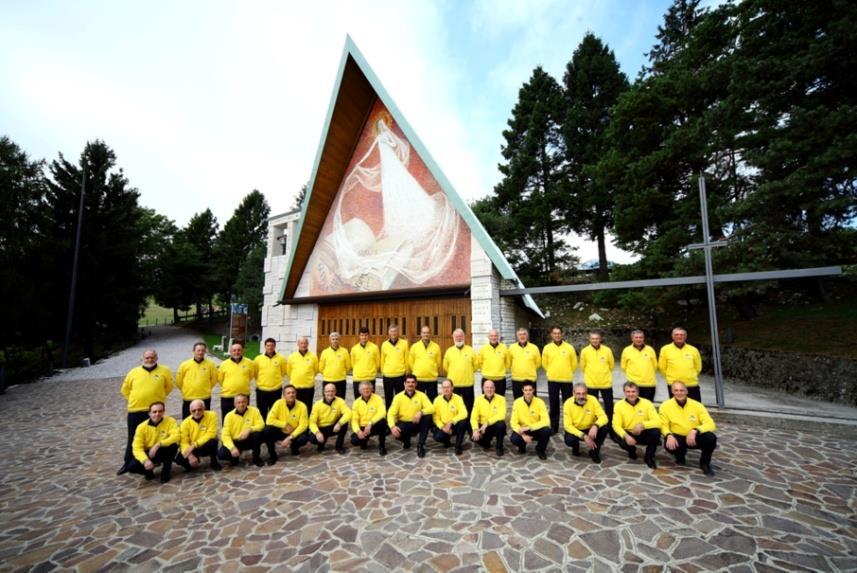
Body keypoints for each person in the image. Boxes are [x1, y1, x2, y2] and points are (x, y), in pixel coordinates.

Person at [118, 349, 173, 475]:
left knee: (155, 436)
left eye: (152, 357)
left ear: (157, 358)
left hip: (155, 411)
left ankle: (154, 459)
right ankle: (128, 462)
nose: (150, 360)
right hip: (136, 410)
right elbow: (125, 390)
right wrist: (135, 399)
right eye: (147, 358)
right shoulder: (133, 372)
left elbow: (169, 387)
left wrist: (159, 398)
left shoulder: (164, 371)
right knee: (133, 437)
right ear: (142, 359)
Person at [660, 382, 718, 476]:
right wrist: (668, 435)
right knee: (669, 444)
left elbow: (711, 424)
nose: (679, 393)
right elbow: (663, 425)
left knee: (710, 438)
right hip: (677, 436)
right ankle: (680, 455)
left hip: (694, 437)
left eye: (682, 390)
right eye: (676, 390)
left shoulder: (697, 405)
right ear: (672, 392)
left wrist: (695, 430)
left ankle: (705, 463)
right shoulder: (665, 406)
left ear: (686, 391)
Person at [126, 401, 179, 483]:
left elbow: (176, 436)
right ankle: (148, 471)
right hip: (147, 452)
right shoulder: (141, 427)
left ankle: (166, 471)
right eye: (154, 412)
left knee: (173, 446)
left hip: (162, 449)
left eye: (160, 411)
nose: (157, 414)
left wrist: (158, 444)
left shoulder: (170, 421)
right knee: (132, 467)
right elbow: (136, 448)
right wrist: (145, 460)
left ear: (164, 412)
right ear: (149, 413)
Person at [612, 382, 661, 469]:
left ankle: (649, 457)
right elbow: (616, 425)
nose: (631, 394)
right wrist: (626, 436)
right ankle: (631, 450)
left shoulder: (647, 403)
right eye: (628, 391)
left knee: (656, 432)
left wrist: (642, 425)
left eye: (633, 391)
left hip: (643, 431)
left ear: (638, 392)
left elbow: (657, 421)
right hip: (629, 433)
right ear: (624, 392)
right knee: (618, 437)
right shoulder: (618, 405)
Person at [387, 374, 434, 457]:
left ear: (416, 384)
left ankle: (420, 445)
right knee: (398, 433)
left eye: (413, 382)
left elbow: (432, 408)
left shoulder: (421, 395)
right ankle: (406, 440)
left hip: (417, 422)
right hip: (404, 423)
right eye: (408, 382)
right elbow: (390, 413)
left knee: (428, 417)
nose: (410, 384)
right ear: (404, 384)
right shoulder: (398, 397)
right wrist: (392, 426)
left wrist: (421, 412)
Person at [542, 326, 578, 434]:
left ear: (562, 334)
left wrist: (567, 372)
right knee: (554, 405)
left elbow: (574, 364)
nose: (557, 335)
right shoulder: (547, 348)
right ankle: (554, 427)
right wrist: (551, 371)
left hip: (566, 380)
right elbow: (544, 363)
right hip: (553, 380)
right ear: (551, 335)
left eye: (559, 333)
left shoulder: (569, 347)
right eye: (555, 333)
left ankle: (569, 427)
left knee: (568, 405)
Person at [563, 383, 608, 464]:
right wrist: (583, 436)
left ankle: (594, 451)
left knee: (604, 428)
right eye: (578, 393)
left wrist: (595, 426)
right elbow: (568, 426)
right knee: (569, 440)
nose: (581, 396)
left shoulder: (593, 400)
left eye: (584, 393)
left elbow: (604, 417)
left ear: (587, 393)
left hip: (590, 428)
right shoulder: (567, 403)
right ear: (573, 393)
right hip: (576, 429)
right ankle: (575, 446)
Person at [263, 385, 309, 464]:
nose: (291, 395)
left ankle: (294, 447)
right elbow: (269, 420)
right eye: (288, 393)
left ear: (296, 394)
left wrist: (289, 438)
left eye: (293, 392)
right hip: (281, 431)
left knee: (304, 438)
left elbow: (303, 425)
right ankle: (272, 454)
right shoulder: (278, 403)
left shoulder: (302, 406)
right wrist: (284, 424)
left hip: (294, 432)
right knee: (267, 430)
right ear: (284, 396)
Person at [217, 393, 265, 467]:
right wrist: (232, 448)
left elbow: (261, 424)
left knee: (257, 434)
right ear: (234, 404)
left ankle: (256, 458)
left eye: (243, 402)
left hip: (249, 439)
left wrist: (250, 429)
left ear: (247, 402)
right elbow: (225, 435)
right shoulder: (229, 416)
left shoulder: (254, 411)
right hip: (236, 441)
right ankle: (234, 457)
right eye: (238, 402)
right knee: (221, 454)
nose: (241, 404)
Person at [175, 399, 221, 472]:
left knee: (213, 441)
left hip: (204, 445)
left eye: (199, 409)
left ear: (204, 408)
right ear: (190, 411)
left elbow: (211, 433)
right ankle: (192, 464)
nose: (197, 412)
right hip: (193, 448)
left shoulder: (212, 415)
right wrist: (190, 455)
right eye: (194, 410)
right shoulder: (185, 423)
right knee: (179, 459)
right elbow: (183, 442)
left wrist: (195, 444)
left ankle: (214, 461)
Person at [659, 327, 703, 401]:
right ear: (672, 336)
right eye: (676, 335)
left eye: (682, 335)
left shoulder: (693, 350)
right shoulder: (665, 349)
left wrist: (691, 376)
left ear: (685, 336)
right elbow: (662, 367)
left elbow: (698, 367)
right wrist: (670, 377)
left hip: (691, 384)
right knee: (676, 408)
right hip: (674, 385)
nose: (679, 336)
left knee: (695, 408)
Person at [580, 330, 616, 421]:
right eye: (593, 338)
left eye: (597, 338)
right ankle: (595, 425)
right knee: (592, 407)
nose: (595, 340)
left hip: (606, 383)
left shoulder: (607, 350)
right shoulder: (585, 351)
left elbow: (611, 365)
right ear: (589, 339)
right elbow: (583, 367)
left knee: (609, 406)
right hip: (591, 384)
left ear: (600, 339)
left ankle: (610, 426)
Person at [509, 380, 551, 459]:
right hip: (523, 430)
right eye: (526, 390)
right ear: (522, 391)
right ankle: (522, 446)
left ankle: (540, 449)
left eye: (530, 390)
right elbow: (513, 422)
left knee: (547, 430)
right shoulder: (517, 403)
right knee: (514, 439)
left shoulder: (540, 402)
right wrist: (523, 435)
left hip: (535, 429)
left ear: (533, 390)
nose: (528, 392)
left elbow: (546, 421)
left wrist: (530, 427)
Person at [176, 342, 217, 420]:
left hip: (204, 396)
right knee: (187, 419)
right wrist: (186, 389)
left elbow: (214, 379)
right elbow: (179, 381)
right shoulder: (184, 365)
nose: (200, 352)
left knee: (205, 419)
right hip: (189, 397)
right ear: (193, 351)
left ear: (205, 351)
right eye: (198, 350)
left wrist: (206, 387)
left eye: (202, 350)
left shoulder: (210, 365)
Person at [443, 328, 480, 415]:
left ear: (464, 337)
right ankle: (456, 425)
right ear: (453, 337)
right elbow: (445, 366)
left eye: (460, 336)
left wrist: (467, 371)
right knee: (454, 406)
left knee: (469, 405)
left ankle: (468, 425)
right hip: (453, 385)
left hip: (468, 384)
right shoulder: (449, 351)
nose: (458, 338)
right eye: (456, 336)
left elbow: (476, 366)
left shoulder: (471, 350)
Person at [217, 341, 257, 420]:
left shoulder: (249, 362)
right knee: (227, 418)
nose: (237, 352)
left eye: (239, 350)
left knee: (244, 417)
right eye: (234, 350)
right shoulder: (224, 364)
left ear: (242, 351)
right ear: (230, 352)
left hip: (244, 395)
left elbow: (251, 375)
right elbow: (220, 379)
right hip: (228, 395)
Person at [308, 383, 352, 454]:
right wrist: (317, 432)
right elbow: (311, 422)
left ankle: (339, 446)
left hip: (334, 426)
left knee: (344, 423)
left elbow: (349, 413)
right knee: (312, 439)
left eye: (332, 391)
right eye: (328, 391)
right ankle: (321, 444)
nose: (330, 393)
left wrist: (339, 423)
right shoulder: (317, 405)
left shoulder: (340, 401)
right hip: (321, 428)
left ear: (335, 392)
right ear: (324, 392)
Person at [253, 338, 288, 420]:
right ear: (265, 346)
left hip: (276, 390)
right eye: (268, 345)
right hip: (262, 390)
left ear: (275, 346)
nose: (270, 347)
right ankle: (262, 429)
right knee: (262, 412)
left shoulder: (281, 359)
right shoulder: (258, 359)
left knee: (274, 412)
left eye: (272, 345)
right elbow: (255, 373)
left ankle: (272, 429)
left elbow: (283, 372)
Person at [470, 379, 507, 456]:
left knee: (501, 424)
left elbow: (502, 415)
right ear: (483, 388)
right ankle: (486, 442)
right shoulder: (478, 399)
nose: (489, 389)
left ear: (494, 388)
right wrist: (475, 429)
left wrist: (488, 423)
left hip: (494, 425)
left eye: (491, 387)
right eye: (487, 387)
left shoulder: (501, 399)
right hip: (482, 427)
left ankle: (499, 447)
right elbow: (473, 417)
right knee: (474, 437)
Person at [432, 379, 469, 455]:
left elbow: (464, 413)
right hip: (443, 425)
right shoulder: (437, 400)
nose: (446, 389)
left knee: (463, 423)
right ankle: (446, 440)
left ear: (452, 388)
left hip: (454, 424)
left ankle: (458, 446)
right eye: (444, 387)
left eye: (448, 387)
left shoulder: (458, 398)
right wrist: (443, 427)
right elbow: (436, 417)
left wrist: (452, 421)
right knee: (438, 437)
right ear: (442, 389)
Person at [351, 380, 388, 456]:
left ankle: (382, 445)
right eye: (363, 389)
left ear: (372, 389)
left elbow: (382, 412)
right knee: (354, 441)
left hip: (374, 425)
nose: (366, 390)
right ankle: (364, 440)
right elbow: (354, 420)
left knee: (383, 422)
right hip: (363, 427)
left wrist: (371, 423)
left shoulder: (378, 398)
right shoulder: (356, 403)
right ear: (360, 391)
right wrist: (358, 431)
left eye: (368, 388)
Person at [620, 330, 658, 402]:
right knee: (632, 407)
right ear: (632, 338)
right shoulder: (626, 350)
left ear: (643, 338)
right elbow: (623, 367)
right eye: (636, 337)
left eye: (640, 337)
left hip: (648, 384)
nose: (638, 339)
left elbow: (655, 365)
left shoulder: (650, 350)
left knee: (648, 407)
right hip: (633, 385)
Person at [409, 325, 442, 401]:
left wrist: (432, 369)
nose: (426, 334)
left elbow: (438, 362)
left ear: (430, 334)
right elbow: (411, 361)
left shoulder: (436, 347)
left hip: (432, 379)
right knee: (418, 401)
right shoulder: (415, 346)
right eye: (424, 333)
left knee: (432, 401)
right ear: (421, 334)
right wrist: (417, 370)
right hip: (418, 379)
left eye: (427, 332)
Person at [286, 336, 320, 409]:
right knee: (295, 406)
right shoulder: (292, 356)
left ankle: (307, 420)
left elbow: (316, 371)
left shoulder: (313, 356)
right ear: (298, 344)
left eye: (305, 343)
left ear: (308, 344)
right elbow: (289, 372)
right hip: (295, 387)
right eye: (301, 343)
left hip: (308, 387)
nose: (303, 345)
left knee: (308, 406)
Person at [381, 324, 409, 410]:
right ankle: (389, 417)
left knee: (400, 398)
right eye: (391, 331)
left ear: (398, 332)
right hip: (388, 376)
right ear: (388, 332)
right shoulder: (384, 344)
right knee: (388, 398)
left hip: (400, 375)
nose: (393, 333)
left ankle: (400, 416)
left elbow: (407, 358)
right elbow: (382, 360)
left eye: (395, 331)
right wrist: (383, 371)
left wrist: (406, 372)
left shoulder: (404, 343)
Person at [509, 328, 541, 399]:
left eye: (524, 334)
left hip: (530, 380)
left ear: (527, 335)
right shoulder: (512, 348)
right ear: (517, 336)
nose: (522, 336)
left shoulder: (534, 348)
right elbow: (509, 362)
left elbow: (538, 363)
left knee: (532, 402)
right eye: (520, 334)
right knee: (518, 402)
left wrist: (529, 370)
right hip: (516, 380)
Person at [478, 328, 510, 397]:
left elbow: (507, 362)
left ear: (498, 337)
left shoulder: (504, 348)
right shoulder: (483, 349)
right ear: (488, 337)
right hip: (487, 378)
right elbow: (480, 362)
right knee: (486, 401)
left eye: (495, 336)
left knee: (500, 400)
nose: (493, 337)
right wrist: (485, 371)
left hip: (500, 379)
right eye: (491, 336)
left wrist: (503, 370)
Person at [351, 326, 380, 399]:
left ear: (368, 335)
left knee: (371, 400)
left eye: (366, 335)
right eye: (362, 335)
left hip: (370, 378)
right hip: (358, 378)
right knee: (358, 400)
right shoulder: (354, 349)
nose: (364, 337)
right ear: (359, 336)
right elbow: (352, 363)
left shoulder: (374, 348)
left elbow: (377, 363)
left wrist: (371, 371)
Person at [319, 331, 351, 399]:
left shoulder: (344, 351)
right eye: (333, 339)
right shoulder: (325, 352)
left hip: (341, 380)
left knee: (340, 400)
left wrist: (342, 373)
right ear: (330, 340)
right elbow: (321, 368)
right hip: (328, 380)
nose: (335, 341)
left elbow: (348, 366)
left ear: (339, 340)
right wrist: (328, 374)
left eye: (336, 339)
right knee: (327, 400)